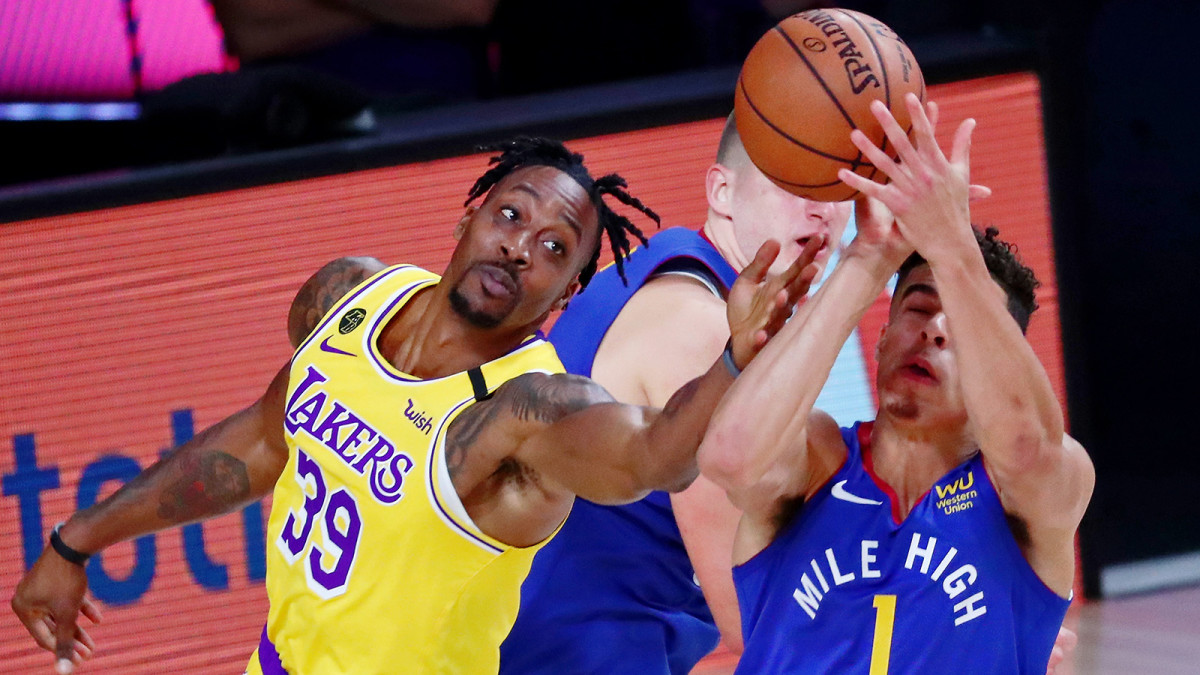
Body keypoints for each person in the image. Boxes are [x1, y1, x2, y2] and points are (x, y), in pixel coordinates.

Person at [9, 136, 822, 674]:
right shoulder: (349, 295)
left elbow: (653, 454)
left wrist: (731, 359)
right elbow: (258, 444)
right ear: (472, 212)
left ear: (569, 290)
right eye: (510, 214)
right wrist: (78, 539)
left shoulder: (531, 410)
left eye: (552, 248)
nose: (518, 245)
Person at [697, 94, 1095, 672]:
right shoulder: (819, 460)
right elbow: (730, 459)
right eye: (917, 306)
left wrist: (951, 242)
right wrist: (870, 257)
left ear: (997, 365)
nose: (934, 330)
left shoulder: (1037, 492)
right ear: (881, 338)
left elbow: (1025, 444)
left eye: (958, 322)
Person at [500, 114, 855, 674]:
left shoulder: (664, 265)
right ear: (722, 191)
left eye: (840, 189)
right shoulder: (702, 330)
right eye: (797, 183)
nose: (823, 210)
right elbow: (756, 619)